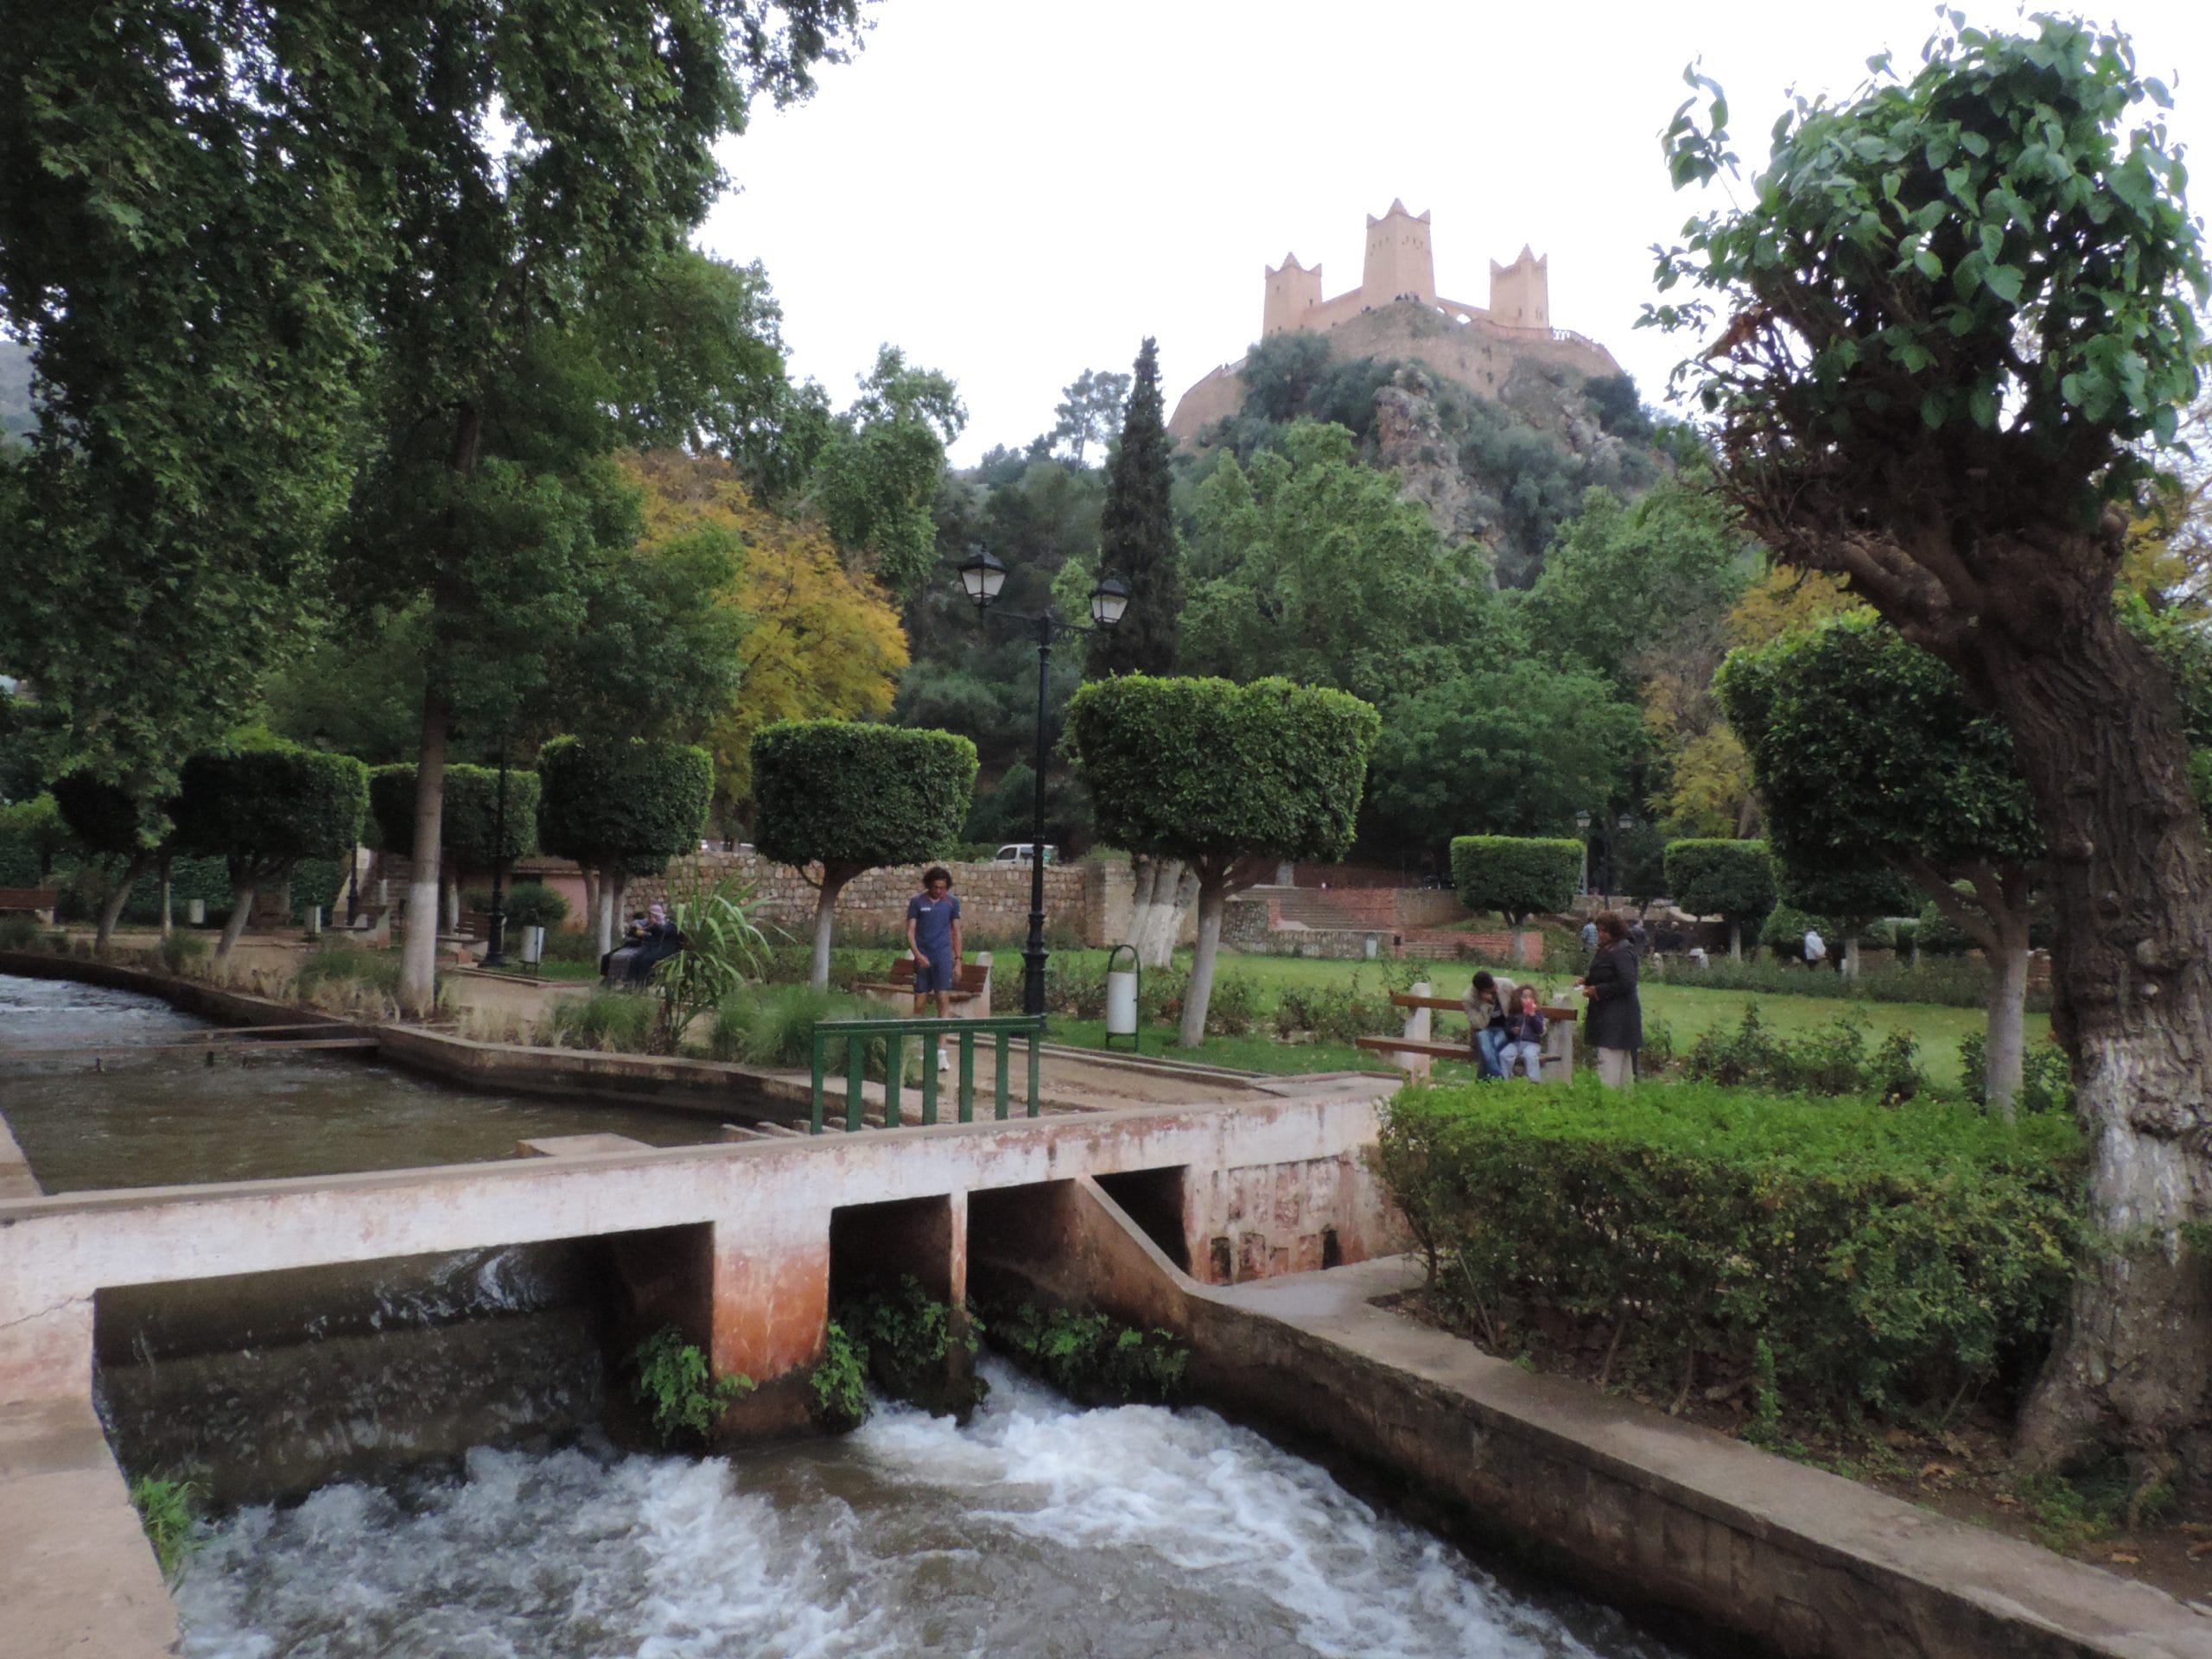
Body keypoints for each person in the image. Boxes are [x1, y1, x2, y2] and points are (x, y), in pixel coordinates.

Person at [1576, 911, 1643, 1089]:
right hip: (1608, 1013)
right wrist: (1588, 980)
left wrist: (1598, 990)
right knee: (1617, 1063)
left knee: (1611, 1060)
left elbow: (1627, 982)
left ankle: (1609, 1099)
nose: (1600, 935)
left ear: (1614, 931)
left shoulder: (1622, 950)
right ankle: (1619, 1100)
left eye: (1604, 931)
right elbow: (1606, 973)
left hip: (1618, 1016)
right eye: (1599, 931)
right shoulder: (1608, 948)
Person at [906, 866, 963, 1071]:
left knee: (943, 1001)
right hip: (923, 957)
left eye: (943, 887)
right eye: (936, 887)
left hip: (942, 957)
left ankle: (941, 1051)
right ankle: (918, 1047)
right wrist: (918, 954)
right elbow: (910, 931)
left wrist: (958, 961)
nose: (939, 891)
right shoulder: (917, 902)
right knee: (920, 1003)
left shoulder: (952, 903)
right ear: (929, 884)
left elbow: (957, 931)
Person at [1462, 970, 1510, 1080]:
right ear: (1481, 991)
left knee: (1489, 1048)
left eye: (1494, 984)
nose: (1496, 988)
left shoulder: (1505, 985)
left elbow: (1520, 998)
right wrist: (1486, 1005)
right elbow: (1479, 1025)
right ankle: (1499, 1080)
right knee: (1487, 1046)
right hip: (1483, 1031)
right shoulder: (1468, 998)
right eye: (1491, 989)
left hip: (1504, 1030)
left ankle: (1481, 1083)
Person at [1499, 984, 1548, 1081]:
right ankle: (1504, 1080)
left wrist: (1533, 1016)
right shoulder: (1515, 1013)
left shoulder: (1538, 1014)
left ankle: (1534, 1081)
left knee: (1529, 1055)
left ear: (1534, 1000)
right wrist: (1512, 1030)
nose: (1527, 1000)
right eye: (1524, 997)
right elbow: (1507, 1028)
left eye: (1530, 997)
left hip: (1532, 1044)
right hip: (1516, 1043)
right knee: (1504, 1055)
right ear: (1518, 999)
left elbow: (1540, 1030)